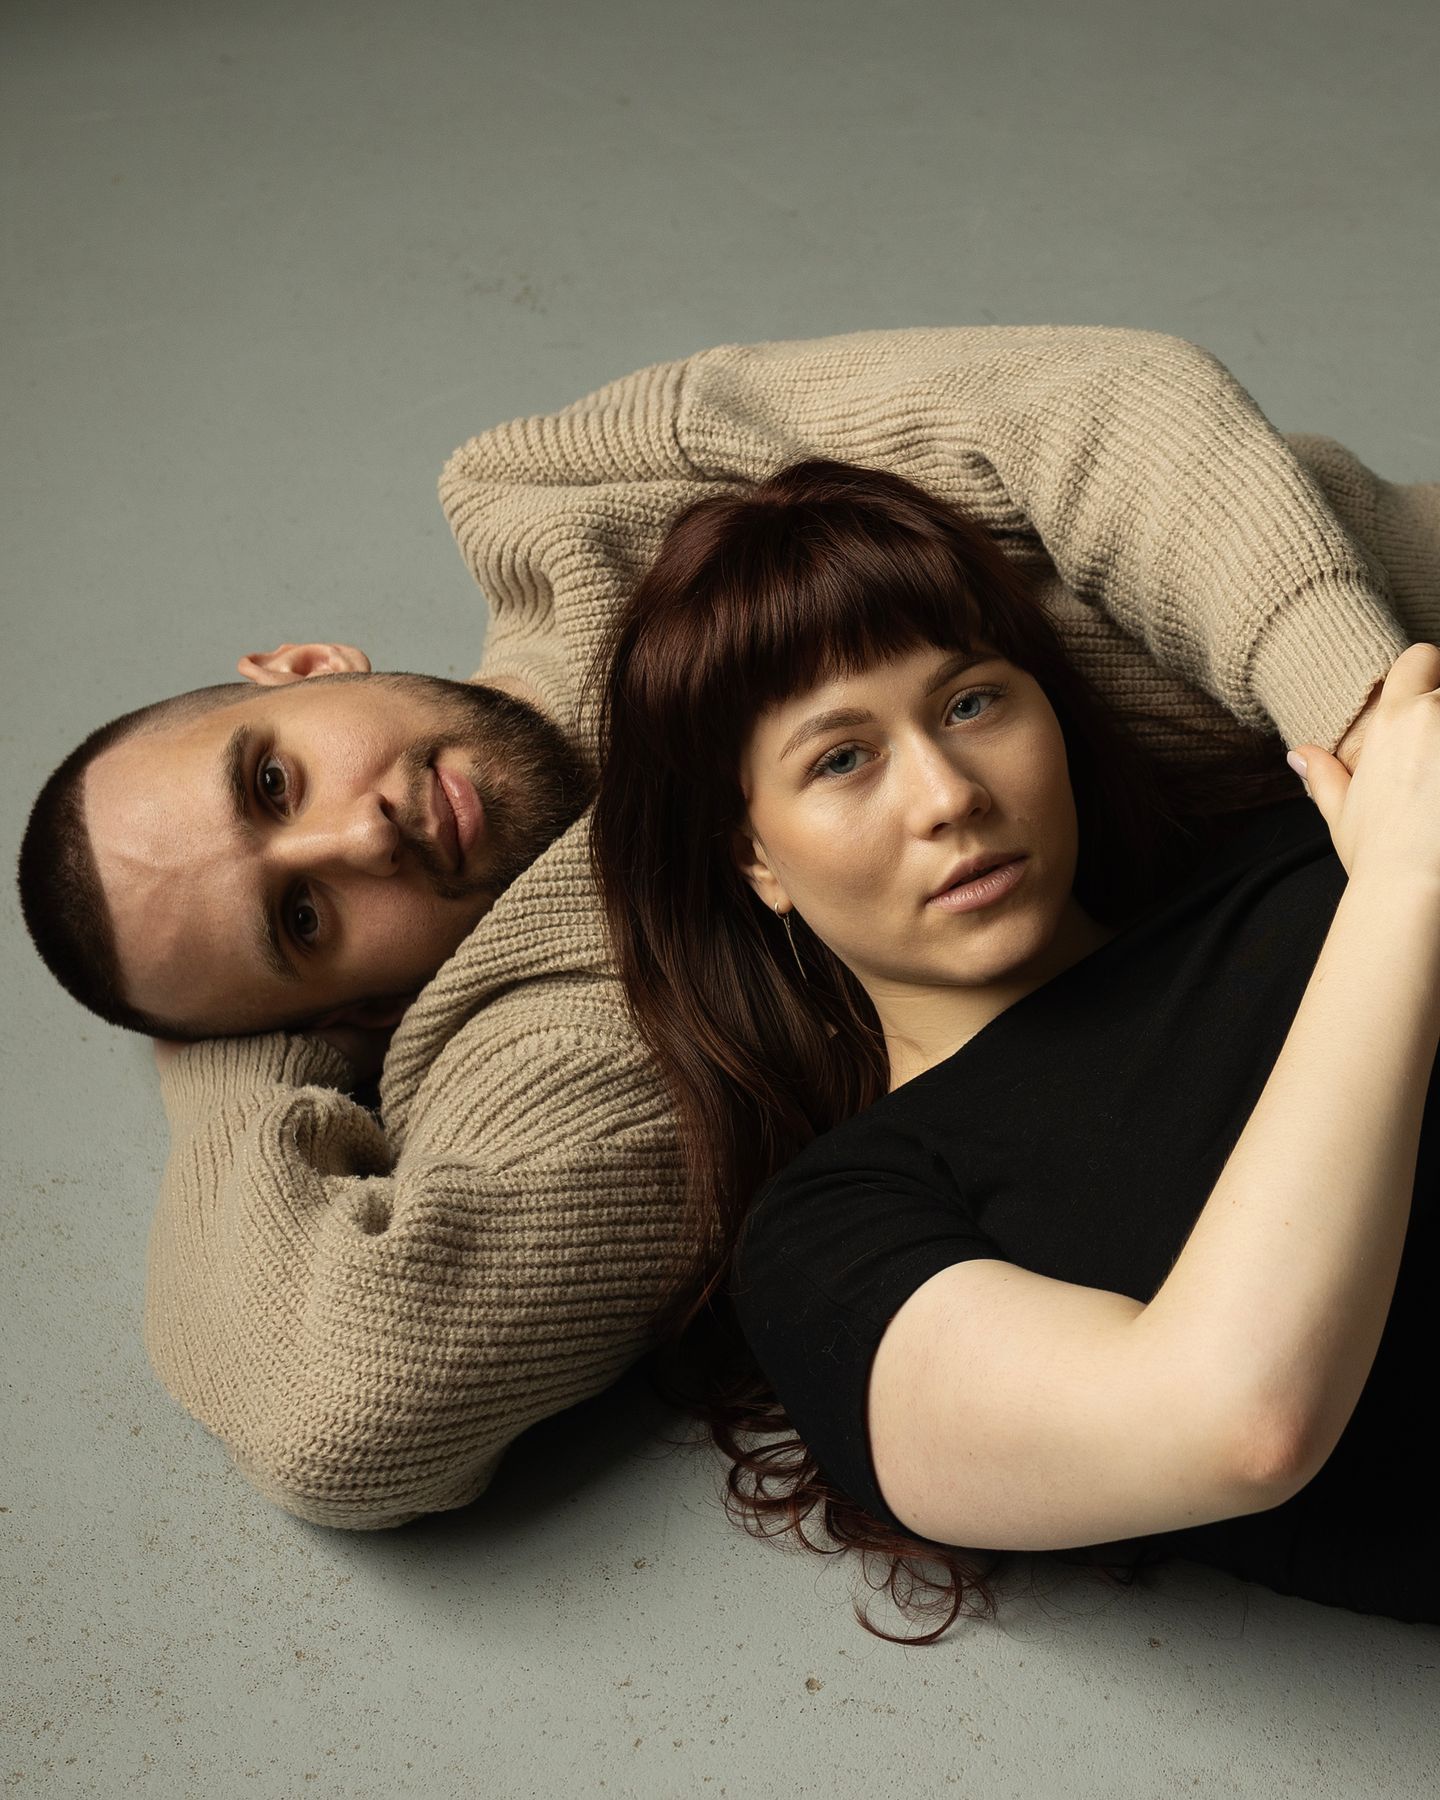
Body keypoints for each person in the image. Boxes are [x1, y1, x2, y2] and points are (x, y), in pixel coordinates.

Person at [16, 325, 1440, 1530]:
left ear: (302, 665)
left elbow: (1084, 410)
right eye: (303, 917)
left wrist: (1376, 725)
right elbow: (345, 1404)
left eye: (273, 781)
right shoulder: (571, 1036)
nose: (361, 833)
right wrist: (228, 1045)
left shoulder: (561, 491)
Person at [590, 456, 1440, 1638]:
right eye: (841, 759)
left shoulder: (1295, 840)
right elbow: (1238, 1423)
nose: (947, 794)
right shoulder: (839, 1236)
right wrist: (1403, 886)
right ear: (755, 859)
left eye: (971, 704)